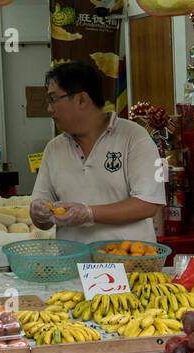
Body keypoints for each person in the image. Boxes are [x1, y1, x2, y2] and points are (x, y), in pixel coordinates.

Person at [28, 61, 166, 243]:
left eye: (53, 99)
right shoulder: (53, 148)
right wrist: (38, 213)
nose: (49, 108)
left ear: (81, 100)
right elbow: (42, 218)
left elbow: (148, 204)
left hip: (128, 264)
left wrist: (89, 213)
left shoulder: (136, 137)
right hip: (74, 265)